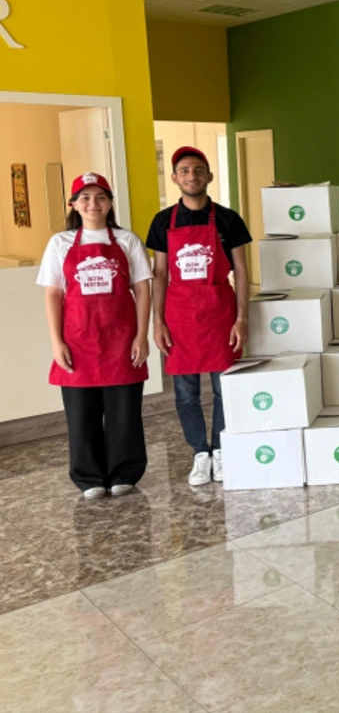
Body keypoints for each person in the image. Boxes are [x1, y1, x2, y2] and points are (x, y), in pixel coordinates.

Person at [38, 173, 151, 499]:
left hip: (121, 338)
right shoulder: (60, 243)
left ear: (110, 203)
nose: (93, 203)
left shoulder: (127, 240)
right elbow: (53, 294)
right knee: (81, 414)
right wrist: (57, 342)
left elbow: (142, 290)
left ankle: (124, 472)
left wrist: (141, 335)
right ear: (73, 204)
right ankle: (89, 478)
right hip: (77, 340)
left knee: (124, 411)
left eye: (100, 197)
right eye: (85, 197)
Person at [147, 146, 251, 486]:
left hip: (220, 312)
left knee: (224, 389)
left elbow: (241, 270)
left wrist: (242, 318)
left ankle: (221, 449)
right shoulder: (163, 222)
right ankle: (199, 453)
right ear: (175, 178)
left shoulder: (228, 219)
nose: (192, 176)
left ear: (209, 176)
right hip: (179, 315)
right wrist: (157, 321)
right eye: (185, 171)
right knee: (185, 393)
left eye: (198, 170)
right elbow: (160, 274)